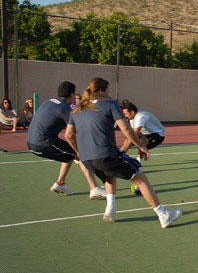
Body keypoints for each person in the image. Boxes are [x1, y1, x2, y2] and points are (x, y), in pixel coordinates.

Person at [65, 77, 182, 228]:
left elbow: (68, 135)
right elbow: (126, 129)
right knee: (140, 178)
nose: (109, 94)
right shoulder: (109, 104)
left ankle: (110, 209)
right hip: (105, 155)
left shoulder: (78, 108)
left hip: (87, 160)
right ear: (101, 91)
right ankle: (163, 214)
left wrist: (79, 153)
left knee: (109, 174)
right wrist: (141, 146)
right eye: (108, 90)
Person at [25, 81, 106, 198]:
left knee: (68, 153)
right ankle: (94, 188)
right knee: (78, 155)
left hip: (30, 141)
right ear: (72, 94)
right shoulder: (64, 108)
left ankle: (60, 183)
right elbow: (77, 130)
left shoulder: (49, 101)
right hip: (42, 144)